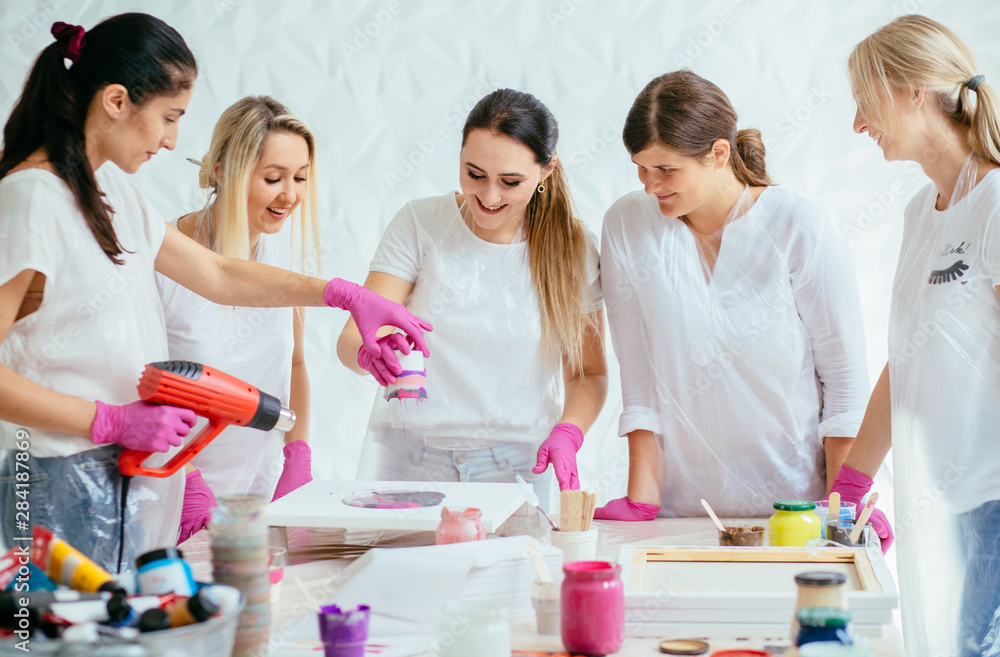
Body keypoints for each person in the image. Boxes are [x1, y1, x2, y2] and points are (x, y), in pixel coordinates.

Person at [0, 14, 430, 574]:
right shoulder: (30, 200)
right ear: (115, 101)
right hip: (54, 473)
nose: (174, 140)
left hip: (126, 476)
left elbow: (221, 277)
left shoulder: (114, 195)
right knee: (47, 652)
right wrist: (108, 420)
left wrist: (343, 294)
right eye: (169, 117)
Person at [596, 70, 870, 521]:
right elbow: (638, 372)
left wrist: (845, 506)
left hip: (796, 509)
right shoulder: (628, 224)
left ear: (718, 153)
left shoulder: (798, 226)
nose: (650, 184)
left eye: (666, 169)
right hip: (680, 508)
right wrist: (642, 497)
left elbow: (843, 381)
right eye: (640, 167)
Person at [337, 89, 607, 506]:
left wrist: (569, 432)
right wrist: (369, 353)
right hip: (410, 458)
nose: (489, 196)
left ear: (546, 170)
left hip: (516, 464)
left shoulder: (571, 248)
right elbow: (354, 336)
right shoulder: (420, 223)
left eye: (510, 182)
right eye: (474, 173)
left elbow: (587, 373)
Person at [844, 15, 1000, 657]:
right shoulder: (920, 213)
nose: (857, 124)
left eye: (864, 101)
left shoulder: (996, 203)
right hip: (950, 505)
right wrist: (851, 479)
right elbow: (909, 358)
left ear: (913, 89)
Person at [158, 96, 320, 543]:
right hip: (174, 488)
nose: (290, 195)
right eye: (273, 178)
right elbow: (138, 385)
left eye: (300, 178)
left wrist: (298, 457)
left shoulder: (281, 254)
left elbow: (297, 364)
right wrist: (187, 480)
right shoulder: (164, 258)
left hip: (257, 493)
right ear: (221, 171)